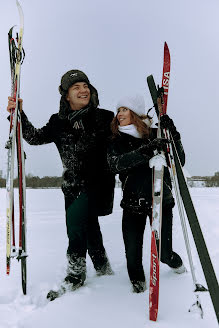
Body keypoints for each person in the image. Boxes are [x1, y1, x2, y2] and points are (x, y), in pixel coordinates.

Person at [7, 70, 115, 300]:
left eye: (85, 85)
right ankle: (103, 267)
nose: (83, 90)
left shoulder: (104, 118)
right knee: (90, 227)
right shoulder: (58, 122)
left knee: (76, 228)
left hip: (98, 185)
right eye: (76, 87)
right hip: (72, 186)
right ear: (66, 95)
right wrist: (18, 114)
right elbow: (34, 137)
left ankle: (76, 275)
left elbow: (125, 135)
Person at [107, 94, 186, 293]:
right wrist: (145, 151)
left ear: (135, 112)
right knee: (132, 255)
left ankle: (178, 266)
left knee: (164, 253)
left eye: (124, 109)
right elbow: (115, 164)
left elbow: (179, 160)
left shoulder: (156, 133)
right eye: (118, 111)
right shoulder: (116, 140)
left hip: (161, 202)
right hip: (133, 204)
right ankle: (138, 288)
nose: (119, 115)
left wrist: (172, 133)